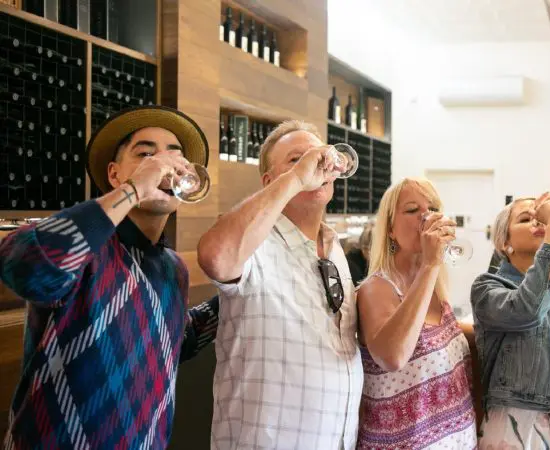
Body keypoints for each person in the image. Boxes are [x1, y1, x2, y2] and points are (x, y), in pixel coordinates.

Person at [0, 106, 219, 449]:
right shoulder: (85, 246)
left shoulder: (173, 267)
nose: (163, 164)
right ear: (115, 175)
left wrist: (243, 292)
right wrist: (135, 189)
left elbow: (178, 340)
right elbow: (31, 269)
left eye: (174, 156)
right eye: (146, 154)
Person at [197, 120, 362, 449]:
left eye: (319, 156)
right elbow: (215, 256)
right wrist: (298, 178)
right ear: (270, 182)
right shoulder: (255, 245)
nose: (316, 163)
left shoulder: (333, 248)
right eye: (295, 159)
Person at [356, 177, 477, 449]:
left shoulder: (435, 288)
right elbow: (393, 356)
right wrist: (431, 262)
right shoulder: (376, 288)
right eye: (412, 210)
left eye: (432, 208)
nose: (426, 217)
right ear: (389, 229)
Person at [472, 193, 550, 450]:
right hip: (517, 429)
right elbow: (529, 310)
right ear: (505, 242)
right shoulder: (487, 287)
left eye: (540, 218)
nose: (538, 224)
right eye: (526, 219)